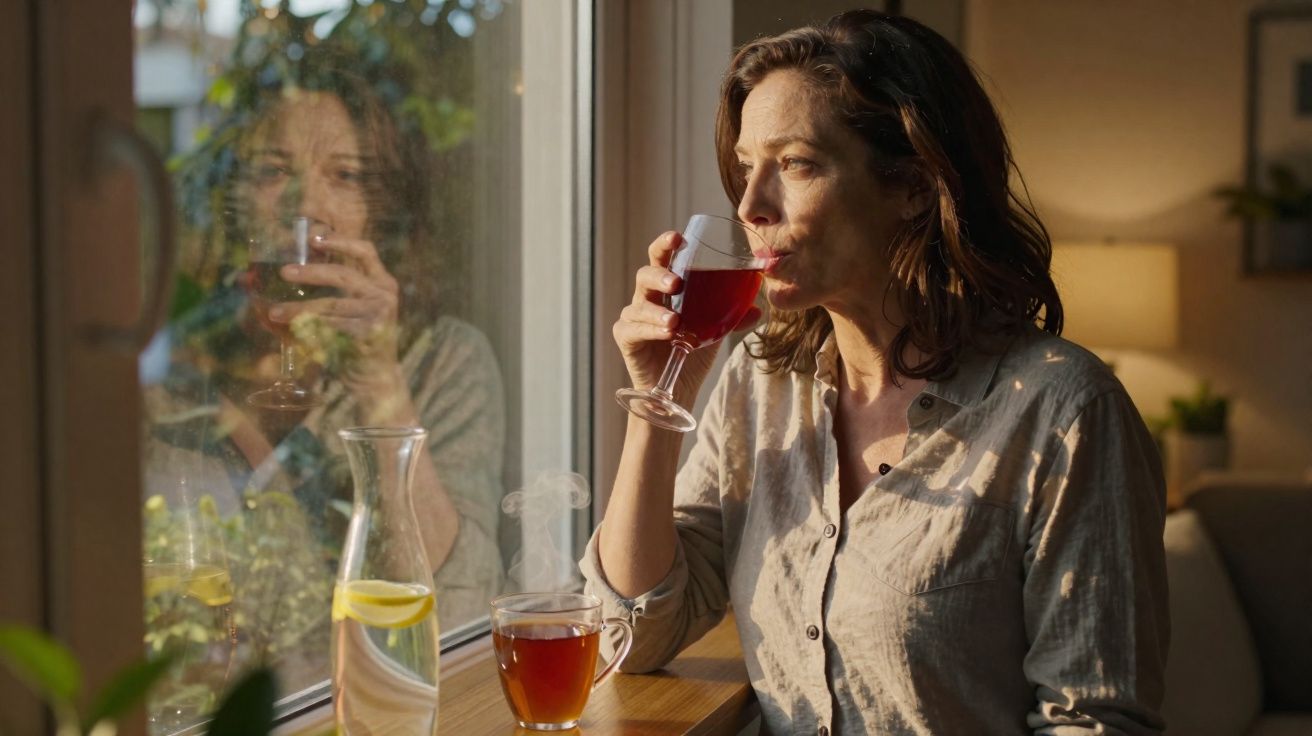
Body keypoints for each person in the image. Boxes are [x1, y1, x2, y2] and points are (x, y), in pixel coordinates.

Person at [583, 10, 1168, 735]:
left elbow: (1094, 722)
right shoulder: (757, 385)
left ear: (915, 184)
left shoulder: (1065, 414)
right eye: (745, 166)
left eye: (794, 164)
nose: (749, 205)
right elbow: (635, 635)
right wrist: (656, 393)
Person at [143, 46, 506, 710]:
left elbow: (457, 628)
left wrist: (379, 383)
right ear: (235, 200)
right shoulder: (179, 373)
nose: (305, 207)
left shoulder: (443, 364)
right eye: (273, 171)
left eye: (346, 175)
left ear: (382, 208)